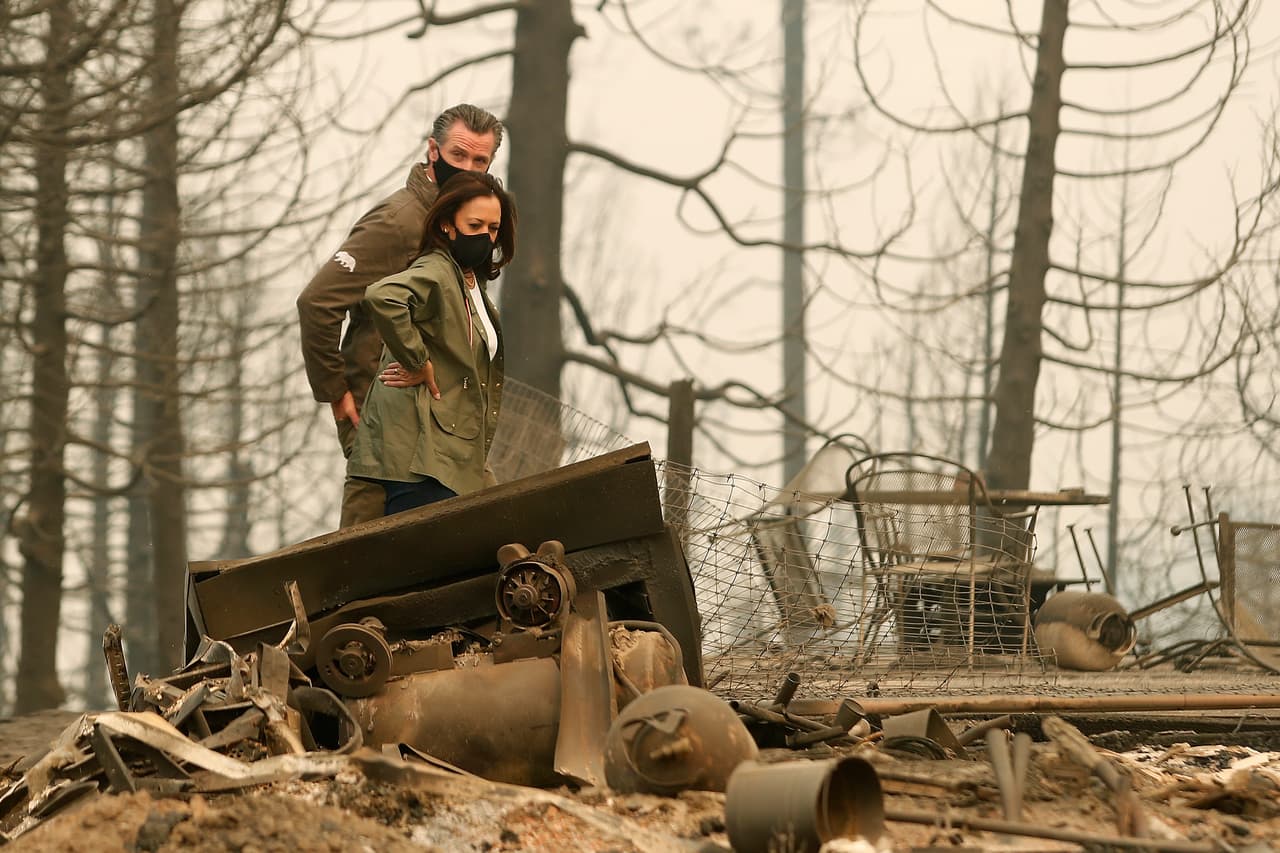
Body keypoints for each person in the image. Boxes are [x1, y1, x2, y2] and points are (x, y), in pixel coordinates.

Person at [296, 104, 503, 527]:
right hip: (390, 424)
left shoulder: (464, 222)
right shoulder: (400, 221)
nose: (467, 168)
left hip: (441, 425)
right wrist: (336, 393)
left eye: (479, 160)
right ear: (432, 151)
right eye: (457, 155)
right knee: (378, 556)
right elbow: (317, 303)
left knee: (480, 537)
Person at [347, 171, 516, 516]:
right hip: (420, 463)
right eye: (475, 225)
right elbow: (384, 296)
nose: (485, 236)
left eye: (493, 228)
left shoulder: (469, 281)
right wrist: (417, 362)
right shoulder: (438, 270)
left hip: (448, 454)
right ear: (446, 225)